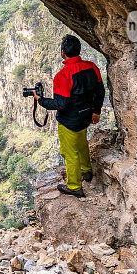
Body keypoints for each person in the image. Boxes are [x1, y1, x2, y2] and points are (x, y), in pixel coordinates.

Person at [34, 34, 105, 197]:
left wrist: (41, 100)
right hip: (86, 116)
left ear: (62, 52)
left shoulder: (63, 75)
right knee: (81, 144)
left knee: (69, 152)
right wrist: (96, 111)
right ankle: (87, 171)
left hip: (69, 121)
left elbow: (61, 104)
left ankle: (74, 186)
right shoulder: (92, 67)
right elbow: (100, 91)